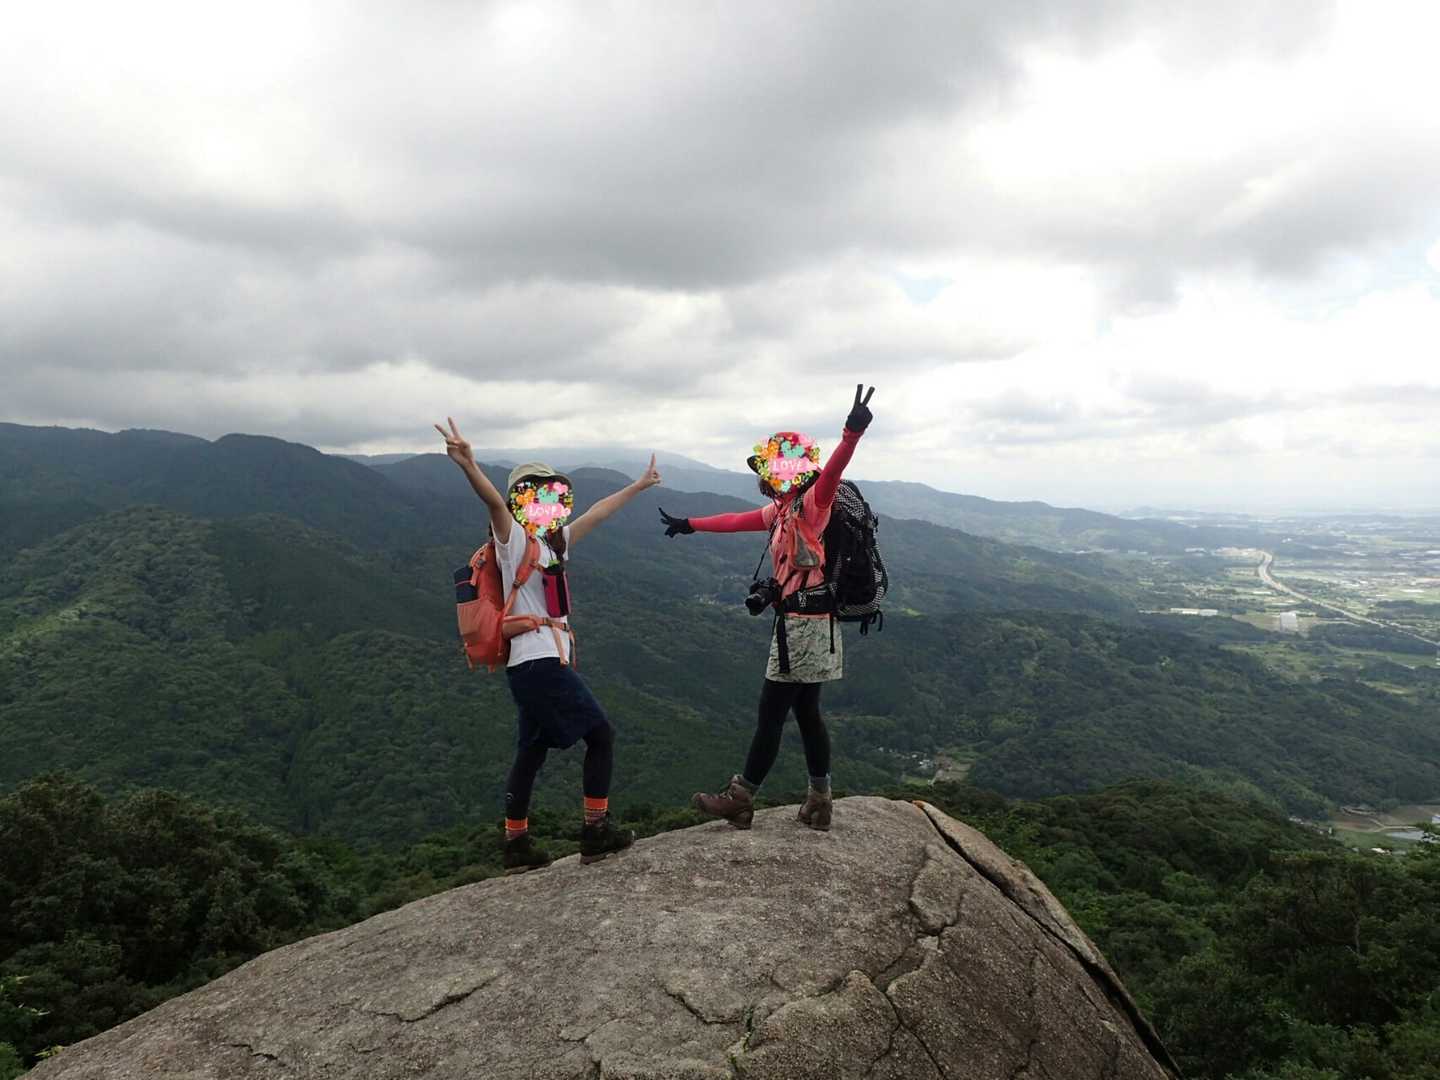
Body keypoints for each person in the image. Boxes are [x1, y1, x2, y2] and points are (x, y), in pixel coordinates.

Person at [435, 417, 660, 874]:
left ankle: (516, 844)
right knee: (601, 735)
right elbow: (493, 502)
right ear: (521, 501)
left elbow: (597, 513)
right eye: (533, 493)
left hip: (535, 663)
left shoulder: (552, 543)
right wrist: (469, 465)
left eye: (548, 493)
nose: (543, 501)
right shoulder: (514, 541)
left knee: (531, 751)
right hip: (539, 663)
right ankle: (595, 832)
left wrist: (638, 486)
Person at [656, 385, 875, 832]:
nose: (771, 477)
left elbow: (833, 473)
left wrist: (850, 434)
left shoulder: (812, 506)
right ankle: (820, 800)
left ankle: (740, 799)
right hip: (809, 624)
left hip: (804, 627)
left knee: (771, 715)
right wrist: (690, 524)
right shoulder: (782, 510)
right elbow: (736, 520)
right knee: (807, 714)